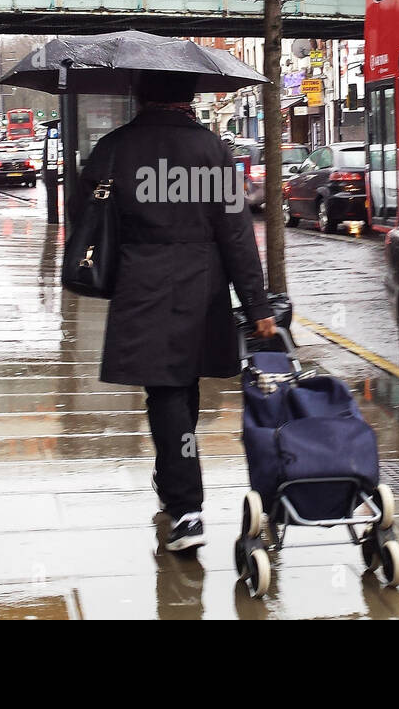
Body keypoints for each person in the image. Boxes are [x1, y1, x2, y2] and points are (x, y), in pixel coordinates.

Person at [76, 72, 276, 552]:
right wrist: (257, 305)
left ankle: (185, 507)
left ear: (141, 94)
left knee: (165, 390)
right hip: (202, 285)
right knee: (179, 385)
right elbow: (236, 234)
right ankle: (177, 488)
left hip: (142, 282)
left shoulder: (116, 147)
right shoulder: (212, 150)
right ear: (188, 97)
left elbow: (86, 212)